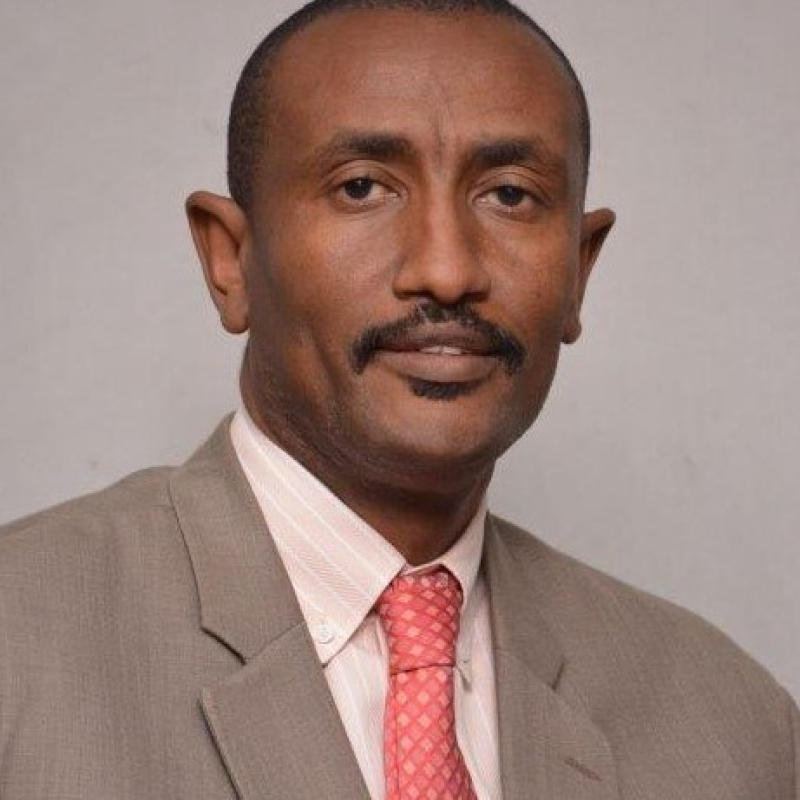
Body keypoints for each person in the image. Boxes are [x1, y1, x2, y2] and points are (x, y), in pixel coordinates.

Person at [1, 0, 797, 797]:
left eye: (509, 195)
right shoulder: (20, 643)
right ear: (230, 260)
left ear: (578, 272)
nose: (447, 271)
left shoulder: (732, 727)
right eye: (362, 187)